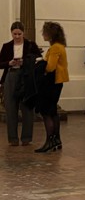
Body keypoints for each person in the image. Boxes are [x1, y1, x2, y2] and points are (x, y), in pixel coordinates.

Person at [0, 21, 41, 146]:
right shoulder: (6, 46)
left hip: (26, 77)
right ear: (11, 33)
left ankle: (26, 138)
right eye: (14, 34)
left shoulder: (30, 45)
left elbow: (38, 59)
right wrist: (9, 63)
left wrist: (26, 62)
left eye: (19, 34)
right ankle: (13, 139)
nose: (17, 36)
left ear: (23, 33)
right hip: (11, 75)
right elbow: (0, 63)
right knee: (10, 107)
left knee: (27, 107)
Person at [34, 21, 68, 154]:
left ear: (50, 34)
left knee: (46, 112)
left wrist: (42, 66)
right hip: (58, 82)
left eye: (44, 32)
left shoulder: (54, 48)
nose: (43, 34)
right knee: (53, 111)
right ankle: (56, 140)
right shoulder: (60, 46)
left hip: (51, 83)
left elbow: (50, 67)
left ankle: (49, 141)